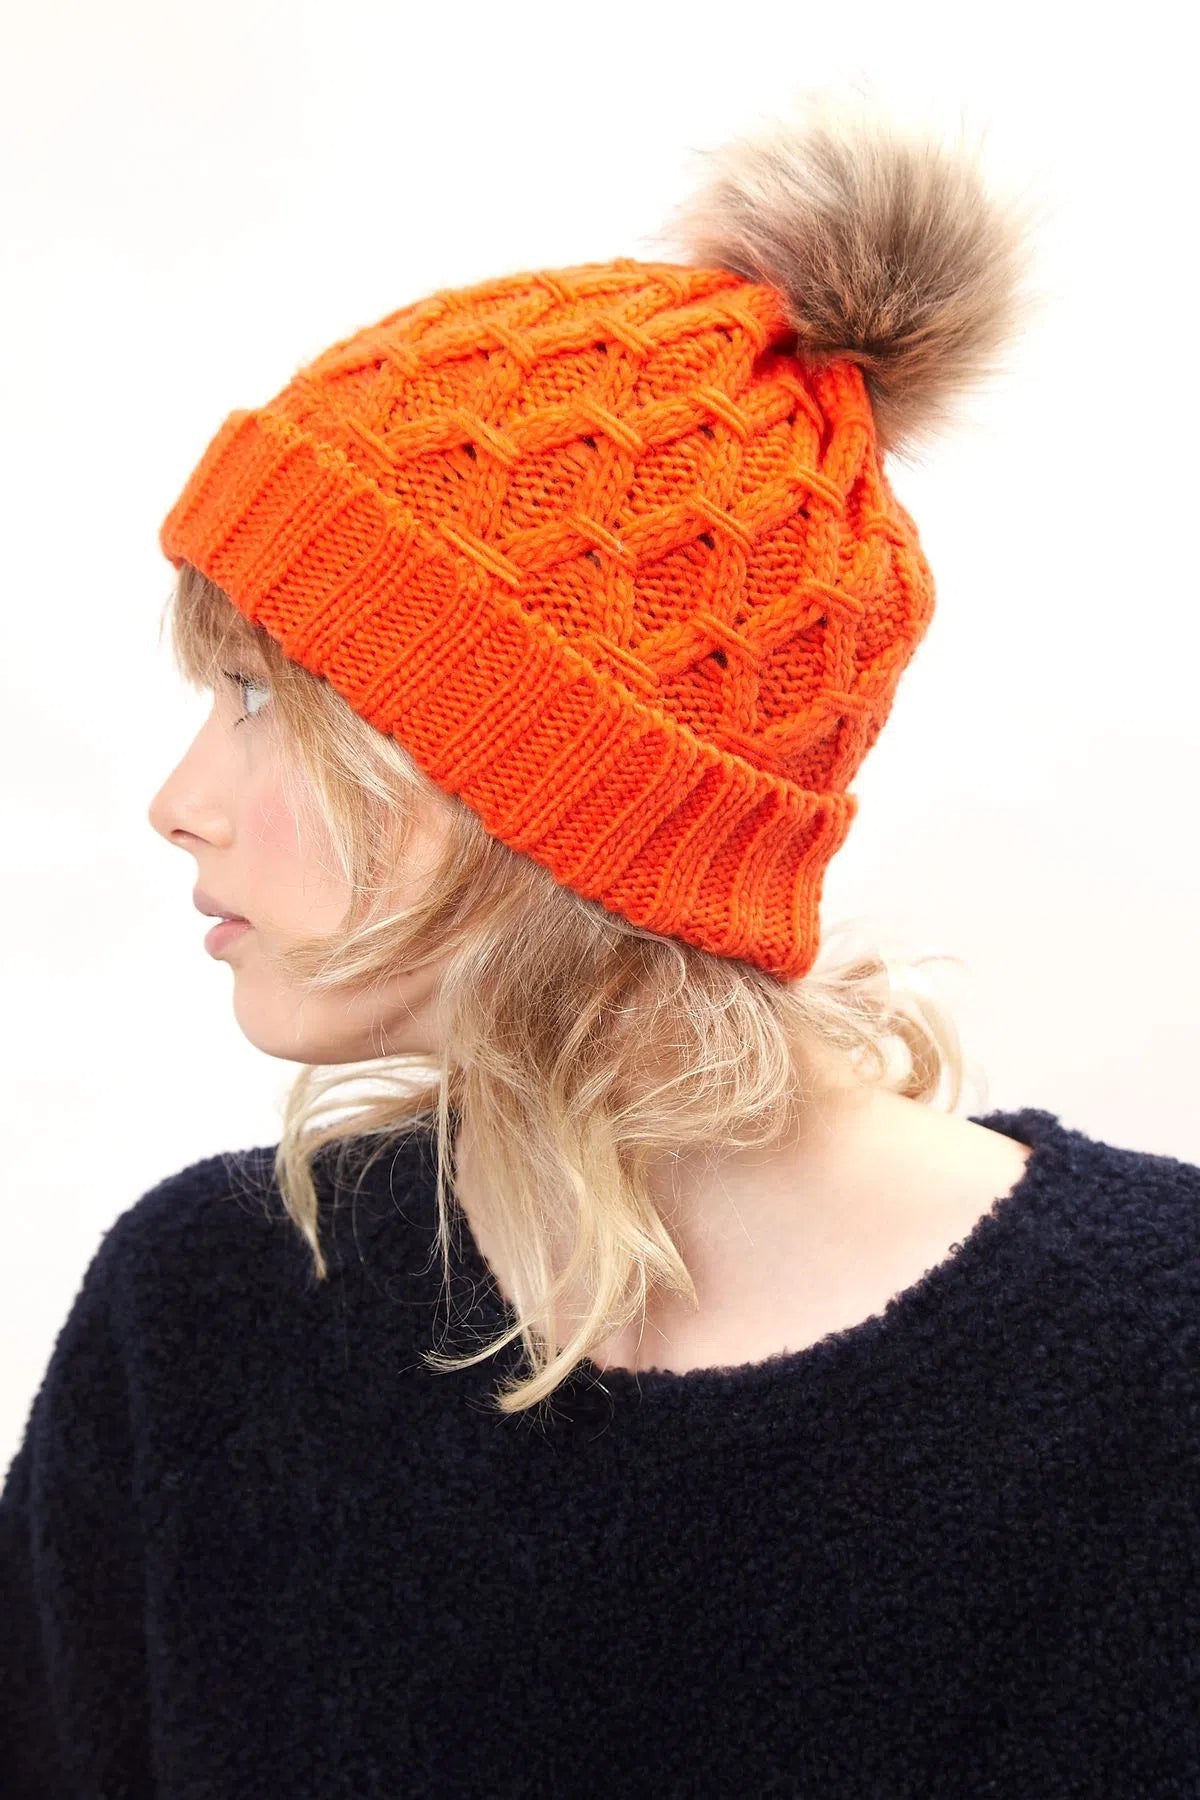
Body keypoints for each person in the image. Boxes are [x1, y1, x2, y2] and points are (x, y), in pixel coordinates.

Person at [2, 92, 1197, 1798]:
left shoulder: (1157, 1374)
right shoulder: (205, 1319)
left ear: (538, 782)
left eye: (262, 697)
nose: (177, 803)